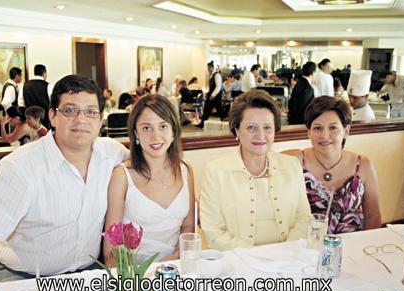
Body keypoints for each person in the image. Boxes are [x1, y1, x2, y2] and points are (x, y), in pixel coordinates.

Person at [0, 74, 128, 291]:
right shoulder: (21, 166)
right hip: (22, 277)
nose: (81, 120)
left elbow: (151, 165)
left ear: (100, 120)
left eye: (90, 112)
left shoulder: (112, 153)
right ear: (53, 116)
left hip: (88, 272)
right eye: (70, 110)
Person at [200, 90, 311, 251]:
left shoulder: (292, 165)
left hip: (289, 258)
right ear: (237, 130)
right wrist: (255, 257)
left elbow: (304, 218)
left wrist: (286, 251)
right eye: (251, 127)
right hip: (239, 264)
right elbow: (213, 232)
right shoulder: (216, 172)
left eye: (267, 127)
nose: (261, 135)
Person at [104, 94, 195, 264]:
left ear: (174, 131)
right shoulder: (121, 176)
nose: (156, 136)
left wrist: (172, 261)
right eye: (146, 128)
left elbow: (188, 228)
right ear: (135, 134)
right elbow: (111, 247)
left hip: (175, 268)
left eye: (163, 126)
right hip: (134, 276)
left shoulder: (186, 170)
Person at [283, 96, 381, 234]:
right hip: (303, 248)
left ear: (346, 131)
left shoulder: (363, 165)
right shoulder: (293, 161)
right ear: (308, 132)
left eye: (333, 128)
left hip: (351, 247)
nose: (325, 135)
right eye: (317, 128)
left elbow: (373, 215)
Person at [19, 64, 52, 129]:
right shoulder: (48, 86)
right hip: (45, 122)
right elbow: (53, 103)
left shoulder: (24, 85)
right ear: (44, 73)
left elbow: (21, 104)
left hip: (30, 122)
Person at [196, 61, 223, 128]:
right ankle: (202, 124)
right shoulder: (212, 76)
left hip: (215, 96)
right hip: (212, 95)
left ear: (212, 68)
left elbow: (218, 86)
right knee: (207, 110)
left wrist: (213, 95)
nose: (208, 69)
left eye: (209, 68)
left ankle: (225, 121)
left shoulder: (217, 75)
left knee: (220, 110)